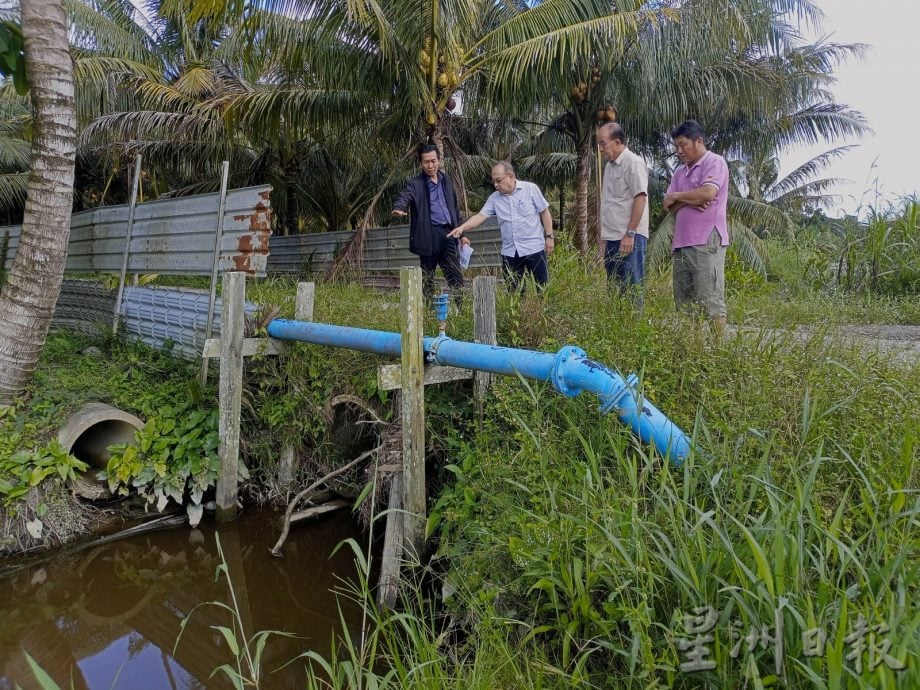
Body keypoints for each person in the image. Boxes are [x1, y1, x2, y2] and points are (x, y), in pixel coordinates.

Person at [663, 120, 730, 332]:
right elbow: (668, 205)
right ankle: (692, 349)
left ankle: (719, 352)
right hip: (681, 243)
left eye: (683, 145)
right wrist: (688, 198)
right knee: (684, 304)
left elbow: (708, 193)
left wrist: (679, 197)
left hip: (706, 240)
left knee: (710, 299)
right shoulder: (680, 173)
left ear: (699, 141)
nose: (679, 151)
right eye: (676, 147)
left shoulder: (714, 162)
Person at [448, 162, 554, 290]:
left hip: (534, 248)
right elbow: (480, 216)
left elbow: (544, 211)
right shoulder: (494, 198)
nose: (496, 185)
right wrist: (461, 228)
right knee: (514, 291)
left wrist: (549, 237)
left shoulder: (530, 189)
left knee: (542, 288)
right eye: (494, 181)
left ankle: (541, 310)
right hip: (510, 252)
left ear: (510, 176)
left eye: (498, 180)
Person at [392, 143, 464, 301]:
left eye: (433, 161)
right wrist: (399, 207)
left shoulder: (447, 181)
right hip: (428, 234)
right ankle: (428, 312)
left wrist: (462, 234)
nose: (430, 165)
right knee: (427, 277)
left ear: (439, 160)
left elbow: (454, 209)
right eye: (426, 162)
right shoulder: (416, 184)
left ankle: (461, 307)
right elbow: (405, 195)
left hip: (449, 233)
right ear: (421, 163)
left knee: (455, 275)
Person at [597, 122, 649, 307]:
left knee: (632, 289)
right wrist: (604, 237)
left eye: (603, 143)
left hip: (629, 238)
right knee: (615, 289)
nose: (600, 149)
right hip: (612, 237)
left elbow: (640, 198)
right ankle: (618, 331)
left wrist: (630, 233)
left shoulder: (633, 163)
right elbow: (610, 204)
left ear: (617, 142)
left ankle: (635, 333)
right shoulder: (609, 167)